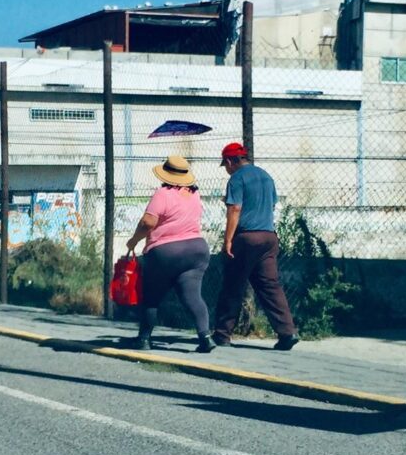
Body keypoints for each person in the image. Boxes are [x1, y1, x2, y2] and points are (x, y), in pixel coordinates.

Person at [213, 142, 299, 350]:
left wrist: (228, 241)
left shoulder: (237, 178)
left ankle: (222, 334)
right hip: (269, 237)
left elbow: (235, 209)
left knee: (233, 285)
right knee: (270, 286)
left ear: (232, 161)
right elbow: (269, 205)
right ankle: (287, 332)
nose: (226, 169)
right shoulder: (266, 176)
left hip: (247, 238)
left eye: (226, 164)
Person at [126, 155, 216, 353]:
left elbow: (148, 222)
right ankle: (205, 337)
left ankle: (144, 339)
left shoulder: (163, 193)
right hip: (197, 249)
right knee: (193, 296)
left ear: (166, 174)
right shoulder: (194, 194)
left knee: (151, 296)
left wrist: (134, 241)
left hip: (166, 252)